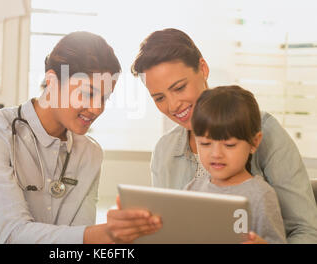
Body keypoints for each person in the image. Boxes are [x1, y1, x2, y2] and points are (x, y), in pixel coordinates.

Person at [0, 31, 161, 244]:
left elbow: (75, 241)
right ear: (51, 81)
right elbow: (12, 234)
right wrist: (104, 234)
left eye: (105, 99)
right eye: (88, 93)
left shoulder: (89, 153)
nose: (96, 108)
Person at [130, 28, 317, 243]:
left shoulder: (266, 131)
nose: (173, 105)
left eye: (180, 87)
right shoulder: (164, 151)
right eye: (159, 98)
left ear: (203, 68)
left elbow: (306, 230)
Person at [184, 85, 286, 244]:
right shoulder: (192, 189)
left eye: (229, 145)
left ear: (254, 142)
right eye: (205, 144)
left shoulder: (261, 195)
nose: (216, 154)